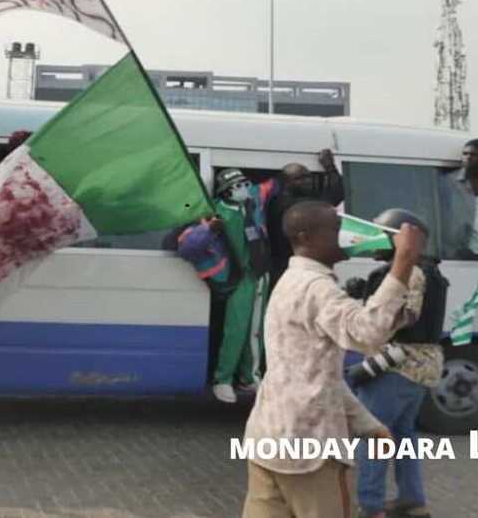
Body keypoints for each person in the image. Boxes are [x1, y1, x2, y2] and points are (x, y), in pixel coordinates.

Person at [242, 201, 424, 518]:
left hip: (268, 439)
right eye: (337, 229)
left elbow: (319, 378)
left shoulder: (290, 281)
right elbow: (368, 334)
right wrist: (404, 260)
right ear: (306, 237)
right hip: (307, 449)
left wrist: (369, 427)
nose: (348, 235)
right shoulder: (316, 288)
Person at [348, 209, 447, 518]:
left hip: (398, 366)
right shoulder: (431, 271)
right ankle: (412, 500)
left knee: (373, 435)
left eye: (380, 234)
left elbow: (408, 315)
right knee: (404, 435)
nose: (372, 241)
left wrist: (369, 316)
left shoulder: (411, 272)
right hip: (423, 365)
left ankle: (371, 506)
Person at [176, 169, 269, 403]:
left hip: (258, 275)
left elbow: (270, 186)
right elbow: (187, 247)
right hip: (237, 279)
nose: (244, 188)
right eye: (238, 186)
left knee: (255, 331)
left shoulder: (250, 203)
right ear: (226, 191)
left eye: (245, 183)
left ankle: (249, 378)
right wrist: (209, 229)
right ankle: (223, 379)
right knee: (235, 330)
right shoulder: (213, 213)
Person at [264, 149, 345, 287]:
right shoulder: (288, 204)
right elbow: (335, 195)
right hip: (287, 267)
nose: (307, 181)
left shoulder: (282, 200)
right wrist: (330, 167)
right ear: (286, 183)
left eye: (308, 177)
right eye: (299, 178)